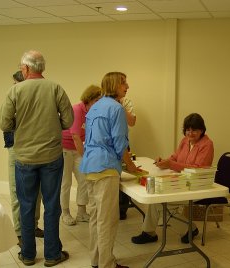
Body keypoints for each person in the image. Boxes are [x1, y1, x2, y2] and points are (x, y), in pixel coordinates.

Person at [0, 50, 73, 266]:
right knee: (51, 205)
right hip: (51, 157)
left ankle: (28, 255)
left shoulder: (15, 90)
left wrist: (19, 128)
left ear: (26, 68)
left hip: (24, 158)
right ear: (42, 68)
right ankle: (52, 255)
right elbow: (68, 121)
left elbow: (4, 123)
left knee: (26, 205)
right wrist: (51, 125)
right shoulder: (55, 88)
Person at [80, 72, 138, 268]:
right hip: (105, 169)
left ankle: (97, 261)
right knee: (107, 221)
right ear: (115, 85)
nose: (127, 86)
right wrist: (131, 167)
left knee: (96, 219)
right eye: (124, 83)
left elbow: (88, 138)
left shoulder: (95, 107)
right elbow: (120, 143)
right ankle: (107, 264)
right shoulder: (116, 108)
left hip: (89, 167)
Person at [131, 113, 214, 244]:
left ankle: (188, 229)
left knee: (160, 203)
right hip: (181, 182)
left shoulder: (207, 144)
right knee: (156, 197)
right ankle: (149, 232)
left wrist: (171, 164)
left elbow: (197, 168)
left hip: (196, 186)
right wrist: (164, 162)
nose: (190, 133)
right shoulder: (185, 141)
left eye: (194, 130)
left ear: (202, 130)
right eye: (188, 130)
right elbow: (175, 158)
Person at [4, 71, 44, 247]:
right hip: (16, 148)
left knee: (37, 191)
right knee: (17, 191)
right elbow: (4, 122)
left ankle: (33, 225)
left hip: (36, 148)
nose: (13, 86)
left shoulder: (37, 101)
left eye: (15, 83)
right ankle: (20, 232)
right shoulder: (12, 98)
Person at [60, 85, 102, 226]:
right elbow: (75, 136)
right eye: (97, 100)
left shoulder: (94, 111)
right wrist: (85, 157)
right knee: (66, 182)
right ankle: (65, 213)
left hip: (78, 148)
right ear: (89, 99)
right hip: (64, 148)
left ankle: (81, 212)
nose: (99, 103)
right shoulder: (77, 110)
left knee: (84, 179)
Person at [118, 96, 136, 220]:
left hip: (123, 140)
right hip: (107, 145)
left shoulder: (126, 102)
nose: (127, 87)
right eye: (123, 83)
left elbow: (132, 122)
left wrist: (120, 106)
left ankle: (121, 209)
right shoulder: (102, 100)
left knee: (124, 174)